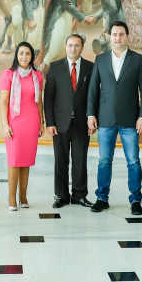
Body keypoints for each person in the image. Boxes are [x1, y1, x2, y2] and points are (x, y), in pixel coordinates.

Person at [86, 21, 142, 215]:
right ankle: (102, 198)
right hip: (105, 119)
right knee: (104, 161)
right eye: (114, 34)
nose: (118, 37)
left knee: (134, 161)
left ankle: (136, 200)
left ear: (127, 36)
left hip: (130, 120)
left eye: (121, 34)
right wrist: (91, 114)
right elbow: (93, 89)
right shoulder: (101, 59)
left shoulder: (138, 60)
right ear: (110, 36)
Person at [44, 34, 94, 208]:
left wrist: (92, 118)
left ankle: (79, 195)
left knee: (80, 161)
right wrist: (50, 122)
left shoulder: (90, 67)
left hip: (82, 123)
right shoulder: (55, 67)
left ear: (82, 48)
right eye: (70, 45)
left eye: (77, 45)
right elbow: (48, 97)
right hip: (59, 123)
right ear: (65, 47)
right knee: (61, 160)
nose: (73, 49)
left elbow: (93, 96)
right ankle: (61, 196)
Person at [0, 42, 45, 210]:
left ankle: (23, 196)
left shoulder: (37, 76)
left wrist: (42, 122)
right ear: (16, 55)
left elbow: (39, 101)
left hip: (32, 122)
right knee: (14, 160)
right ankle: (12, 197)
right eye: (21, 53)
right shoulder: (8, 74)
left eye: (27, 53)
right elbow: (4, 102)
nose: (24, 56)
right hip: (14, 123)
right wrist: (5, 125)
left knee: (26, 160)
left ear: (32, 56)